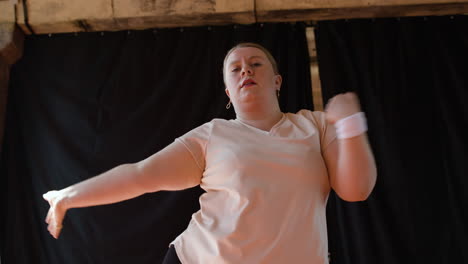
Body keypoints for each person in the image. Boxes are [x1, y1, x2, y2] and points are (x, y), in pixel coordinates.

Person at [43, 42, 377, 264]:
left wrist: (350, 123)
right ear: (228, 93)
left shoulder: (315, 126)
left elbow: (356, 189)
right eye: (235, 69)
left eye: (255, 63)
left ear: (277, 81)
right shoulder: (213, 135)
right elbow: (140, 175)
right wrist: (68, 196)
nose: (245, 70)